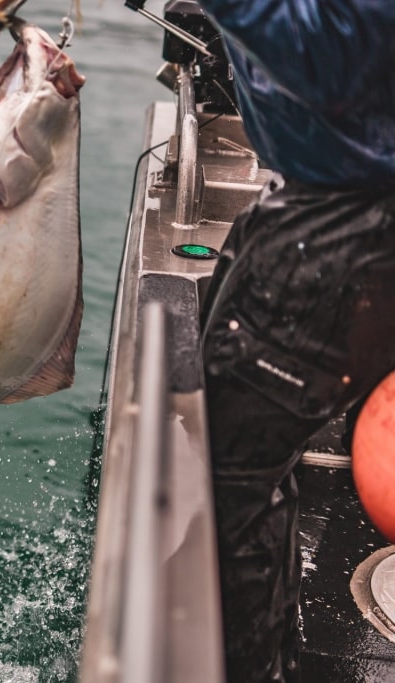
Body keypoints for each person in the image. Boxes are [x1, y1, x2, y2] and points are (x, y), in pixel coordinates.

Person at [191, 2, 395, 682]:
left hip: (351, 221)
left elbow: (337, 55)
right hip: (317, 203)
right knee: (233, 454)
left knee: (229, 475)